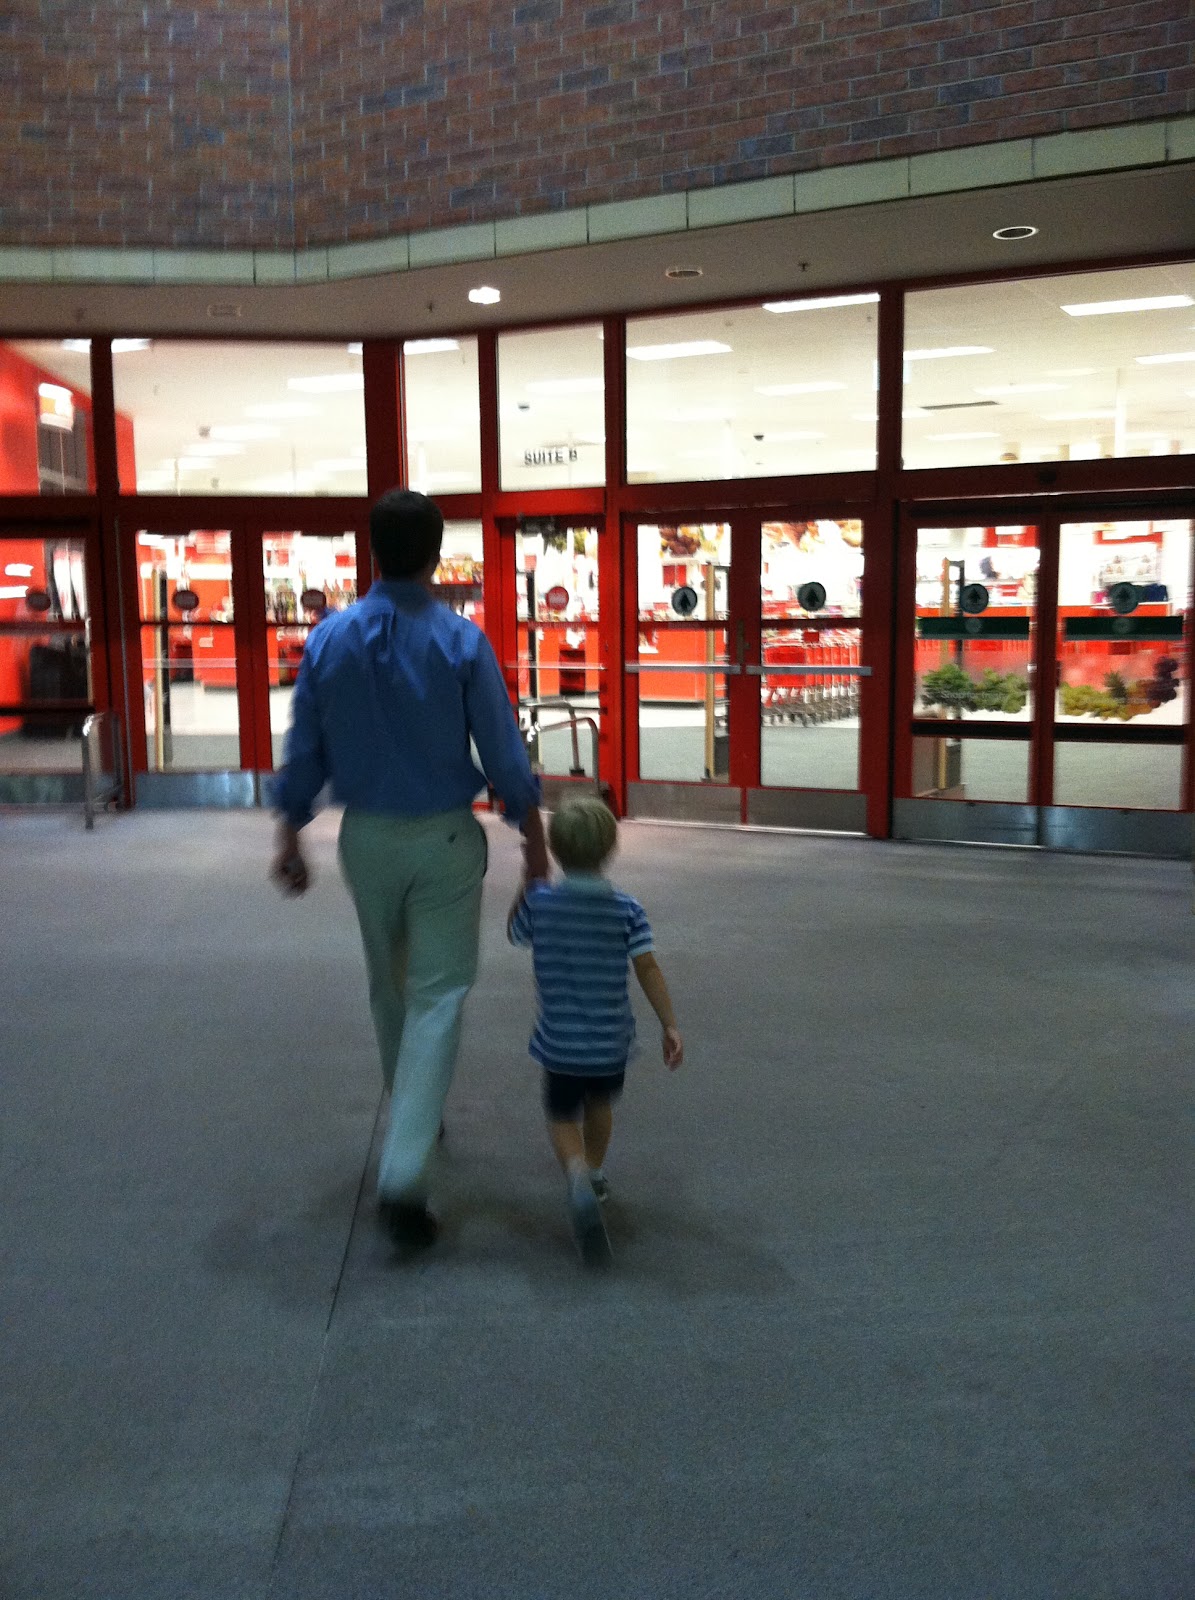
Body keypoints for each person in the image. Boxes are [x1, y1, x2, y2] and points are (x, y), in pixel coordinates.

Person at [272, 488, 549, 1249]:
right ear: (435, 556)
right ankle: (404, 1168)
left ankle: (413, 1113)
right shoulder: (461, 641)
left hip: (364, 839)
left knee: (388, 986)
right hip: (443, 840)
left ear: (372, 552)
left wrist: (289, 834)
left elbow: (304, 746)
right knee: (437, 994)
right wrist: (534, 847)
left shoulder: (329, 640)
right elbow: (503, 753)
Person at [507, 797, 683, 1265]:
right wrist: (669, 1023)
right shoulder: (627, 909)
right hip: (609, 1042)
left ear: (557, 851)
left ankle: (577, 1174)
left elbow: (516, 935)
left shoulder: (541, 903)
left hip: (559, 1041)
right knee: (599, 1105)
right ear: (610, 850)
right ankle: (596, 1170)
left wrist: (526, 884)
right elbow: (647, 967)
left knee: (561, 1114)